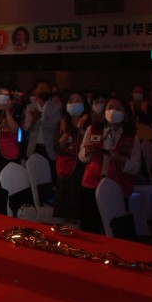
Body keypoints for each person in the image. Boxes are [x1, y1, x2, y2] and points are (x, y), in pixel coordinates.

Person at [78, 96, 141, 234]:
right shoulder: (92, 130)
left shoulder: (131, 137)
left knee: (114, 228)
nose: (113, 111)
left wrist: (121, 160)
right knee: (90, 227)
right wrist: (86, 152)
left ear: (125, 114)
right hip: (91, 183)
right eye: (110, 107)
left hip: (116, 187)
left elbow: (136, 166)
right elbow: (81, 156)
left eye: (118, 109)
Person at [53, 90, 89, 224]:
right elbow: (58, 147)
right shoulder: (62, 124)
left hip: (85, 169)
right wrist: (68, 131)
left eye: (78, 101)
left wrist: (81, 129)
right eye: (71, 101)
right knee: (68, 212)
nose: (74, 104)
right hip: (66, 171)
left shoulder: (89, 123)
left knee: (84, 210)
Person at [24, 80, 61, 178]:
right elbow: (26, 128)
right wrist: (33, 121)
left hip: (49, 148)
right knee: (34, 178)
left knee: (49, 177)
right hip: (34, 147)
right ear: (35, 91)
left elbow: (55, 127)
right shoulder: (30, 107)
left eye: (47, 88)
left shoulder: (56, 107)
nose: (44, 91)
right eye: (41, 88)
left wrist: (40, 118)